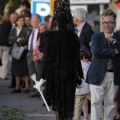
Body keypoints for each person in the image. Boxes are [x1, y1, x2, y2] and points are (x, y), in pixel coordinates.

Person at [41, 0, 83, 120]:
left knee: (58, 104)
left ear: (57, 21)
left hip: (55, 75)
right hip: (68, 76)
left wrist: (43, 76)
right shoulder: (73, 37)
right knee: (68, 103)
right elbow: (76, 59)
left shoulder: (49, 37)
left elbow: (47, 60)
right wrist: (80, 75)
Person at [86, 9, 120, 120]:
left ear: (114, 24)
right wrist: (113, 52)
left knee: (110, 104)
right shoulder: (96, 37)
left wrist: (114, 41)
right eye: (105, 22)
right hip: (97, 74)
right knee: (95, 102)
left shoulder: (118, 38)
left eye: (110, 22)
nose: (107, 25)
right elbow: (95, 51)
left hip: (114, 75)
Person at [8, 15, 29, 93]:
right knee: (16, 70)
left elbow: (26, 39)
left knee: (24, 70)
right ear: (16, 22)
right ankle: (17, 87)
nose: (22, 22)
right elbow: (10, 38)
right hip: (15, 51)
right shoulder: (14, 29)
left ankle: (26, 87)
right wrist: (18, 39)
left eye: (23, 21)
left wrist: (18, 40)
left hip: (22, 51)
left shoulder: (26, 29)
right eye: (20, 21)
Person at [74, 49, 91, 120]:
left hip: (78, 90)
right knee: (97, 101)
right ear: (84, 57)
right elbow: (88, 77)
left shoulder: (75, 64)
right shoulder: (86, 65)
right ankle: (102, 116)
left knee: (77, 107)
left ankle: (76, 118)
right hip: (87, 89)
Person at [0, 14, 12, 80]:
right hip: (7, 45)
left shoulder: (1, 25)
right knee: (5, 60)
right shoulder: (10, 26)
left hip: (0, 44)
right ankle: (3, 75)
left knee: (0, 60)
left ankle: (0, 73)